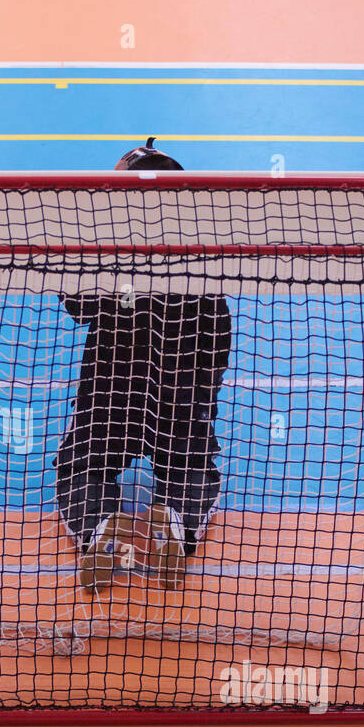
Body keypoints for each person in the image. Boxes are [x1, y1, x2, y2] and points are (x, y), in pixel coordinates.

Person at [55, 139, 232, 592]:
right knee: (192, 468)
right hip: (178, 393)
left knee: (79, 467)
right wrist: (201, 405)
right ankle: (177, 527)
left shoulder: (103, 245)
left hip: (111, 392)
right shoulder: (201, 255)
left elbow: (78, 308)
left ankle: (97, 532)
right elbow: (216, 339)